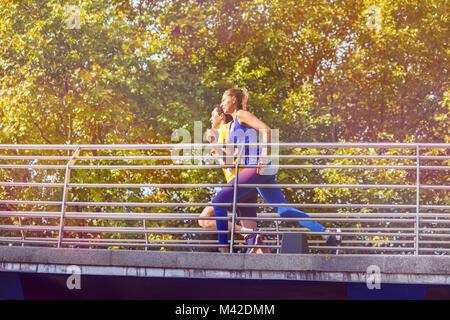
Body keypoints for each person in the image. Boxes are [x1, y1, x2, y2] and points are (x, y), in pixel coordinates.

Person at [211, 89, 341, 253]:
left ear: (234, 99)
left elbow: (266, 129)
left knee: (219, 201)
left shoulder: (241, 114)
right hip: (259, 170)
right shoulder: (231, 126)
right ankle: (327, 234)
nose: (222, 104)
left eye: (224, 99)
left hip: (257, 167)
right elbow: (237, 152)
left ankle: (223, 249)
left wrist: (264, 156)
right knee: (284, 210)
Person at [198, 105, 267, 253]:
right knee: (254, 241)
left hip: (239, 183)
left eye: (212, 115)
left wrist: (214, 144)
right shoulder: (223, 132)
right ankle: (275, 266)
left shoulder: (224, 130)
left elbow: (228, 161)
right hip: (246, 187)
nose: (210, 119)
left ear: (221, 116)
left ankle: (236, 237)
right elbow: (227, 162)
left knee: (204, 219)